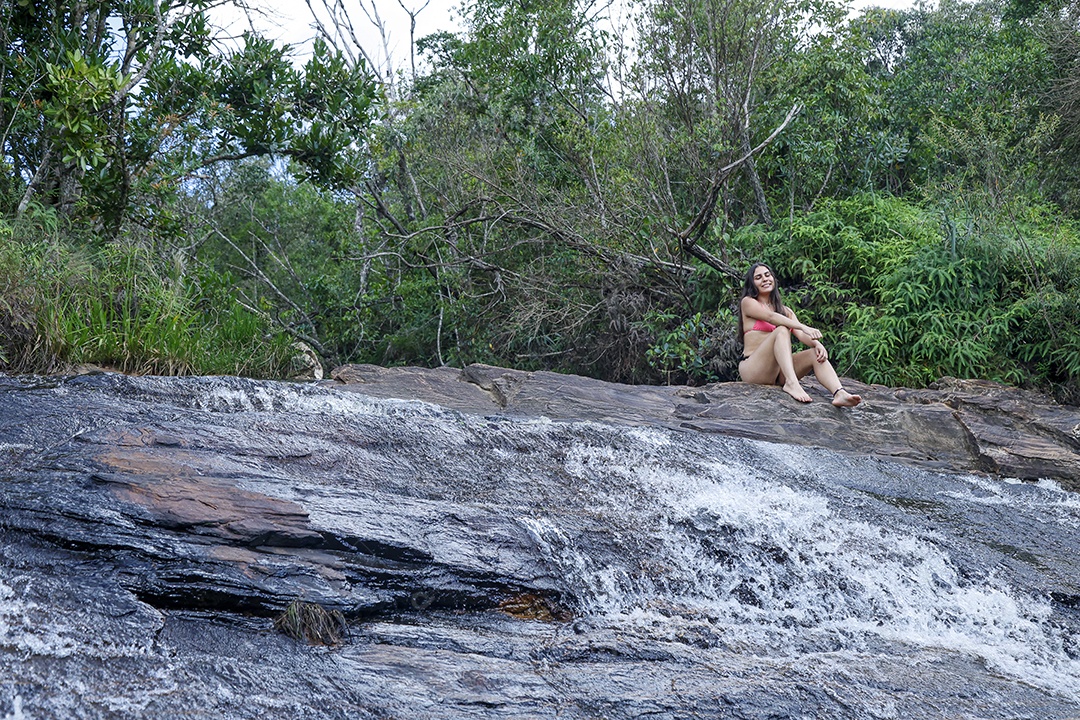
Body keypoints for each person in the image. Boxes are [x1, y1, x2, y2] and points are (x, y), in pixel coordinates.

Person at [738, 262, 861, 407]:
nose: (765, 279)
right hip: (754, 369)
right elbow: (771, 317)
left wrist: (817, 344)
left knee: (815, 354)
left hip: (778, 373)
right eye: (758, 277)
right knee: (782, 330)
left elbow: (802, 336)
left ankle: (839, 393)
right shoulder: (748, 302)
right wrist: (803, 326)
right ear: (752, 283)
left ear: (773, 279)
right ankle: (791, 383)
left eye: (767, 275)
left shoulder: (786, 311)